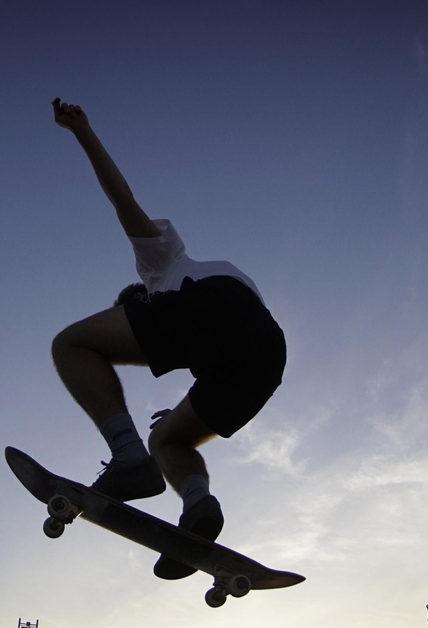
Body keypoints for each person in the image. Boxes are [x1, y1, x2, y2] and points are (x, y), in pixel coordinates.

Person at [48, 98, 288, 579]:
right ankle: (198, 507)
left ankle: (126, 457)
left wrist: (83, 133)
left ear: (139, 302)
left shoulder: (161, 268)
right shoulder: (195, 311)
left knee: (71, 345)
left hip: (220, 310)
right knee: (168, 439)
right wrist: (183, 407)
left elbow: (124, 202)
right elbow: (224, 342)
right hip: (265, 358)